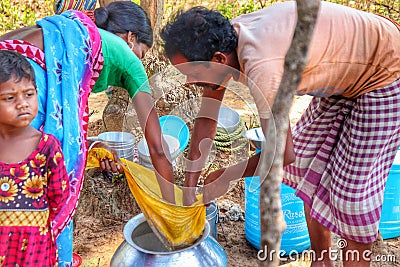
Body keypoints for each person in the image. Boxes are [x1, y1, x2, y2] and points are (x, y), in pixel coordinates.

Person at [161, 2, 400, 266]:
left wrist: (227, 175)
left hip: (386, 69)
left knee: (352, 197)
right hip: (346, 76)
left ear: (218, 60)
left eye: (190, 74)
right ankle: (322, 260)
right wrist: (190, 188)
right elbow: (207, 119)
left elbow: (282, 154)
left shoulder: (263, 68)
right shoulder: (224, 44)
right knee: (308, 168)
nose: (188, 82)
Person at [0, 1, 175, 266]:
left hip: (8, 66)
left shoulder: (75, 36)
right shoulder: (126, 57)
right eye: (142, 52)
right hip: (20, 81)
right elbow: (158, 147)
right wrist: (173, 210)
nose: (139, 59)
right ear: (131, 38)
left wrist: (91, 146)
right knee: (29, 188)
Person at [0, 50, 70, 266]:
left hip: (35, 251)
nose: (22, 103)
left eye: (29, 94)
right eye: (10, 98)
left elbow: (59, 196)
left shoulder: (46, 147)